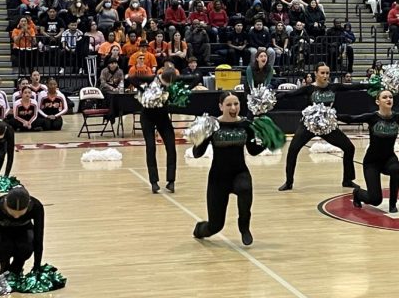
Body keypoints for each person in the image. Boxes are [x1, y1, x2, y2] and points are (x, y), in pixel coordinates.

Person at [276, 62, 368, 191]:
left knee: (349, 148)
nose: (325, 75)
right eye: (322, 73)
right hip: (309, 125)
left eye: (327, 73)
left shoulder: (334, 87)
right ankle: (289, 182)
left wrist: (370, 84)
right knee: (292, 151)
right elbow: (290, 94)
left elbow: (352, 86)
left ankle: (347, 180)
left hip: (327, 126)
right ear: (316, 74)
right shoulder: (308, 89)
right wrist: (277, 96)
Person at [192, 91, 265, 246]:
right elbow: (197, 154)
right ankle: (200, 230)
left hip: (240, 173)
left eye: (236, 104)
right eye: (229, 104)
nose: (233, 107)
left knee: (245, 188)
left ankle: (244, 227)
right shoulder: (212, 126)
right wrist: (199, 137)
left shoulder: (246, 125)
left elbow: (252, 150)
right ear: (221, 106)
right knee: (216, 226)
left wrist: (266, 142)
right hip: (218, 179)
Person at [0, 186, 45, 276]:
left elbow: (39, 239)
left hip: (24, 230)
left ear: (28, 205)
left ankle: (18, 266)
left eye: (21, 213)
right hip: (2, 231)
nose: (16, 217)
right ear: (5, 204)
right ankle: (4, 266)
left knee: (26, 249)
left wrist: (37, 269)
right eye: (12, 213)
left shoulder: (36, 206)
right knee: (3, 250)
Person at [139, 70, 179, 194]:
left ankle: (171, 181)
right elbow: (133, 80)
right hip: (147, 118)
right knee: (151, 147)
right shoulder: (150, 81)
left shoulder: (171, 85)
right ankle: (154, 182)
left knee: (171, 146)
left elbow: (193, 79)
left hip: (163, 118)